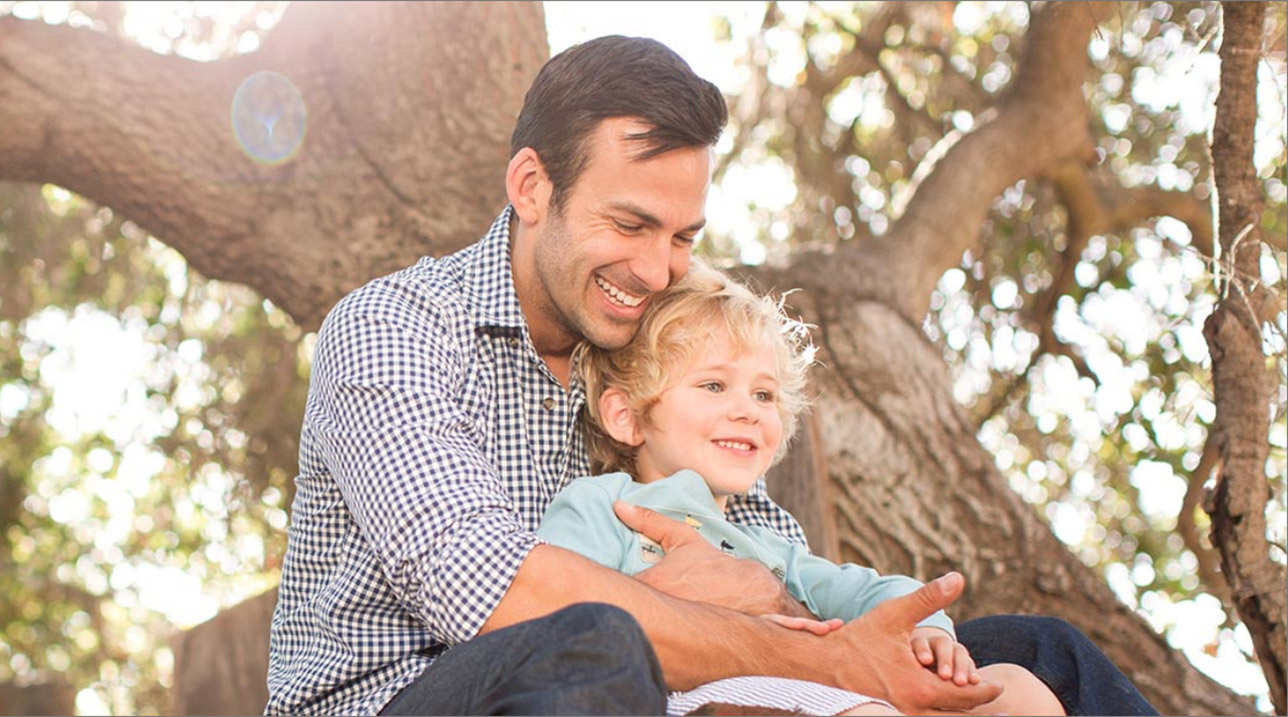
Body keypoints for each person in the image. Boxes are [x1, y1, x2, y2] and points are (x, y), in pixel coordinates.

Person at [266, 33, 1157, 716]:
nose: (658, 268)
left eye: (683, 236)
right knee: (594, 643)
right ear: (532, 187)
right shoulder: (397, 328)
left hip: (666, 676)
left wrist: (849, 631)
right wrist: (817, 656)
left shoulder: (652, 341)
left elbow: (761, 561)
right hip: (400, 698)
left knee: (1038, 655)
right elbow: (489, 591)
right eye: (631, 223)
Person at [536, 265, 1063, 715]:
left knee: (1018, 691)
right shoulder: (604, 504)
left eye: (764, 394)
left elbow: (872, 593)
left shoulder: (770, 549)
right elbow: (551, 614)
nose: (748, 409)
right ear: (627, 417)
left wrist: (930, 635)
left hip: (817, 691)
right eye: (714, 385)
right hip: (686, 696)